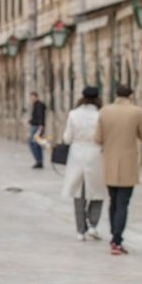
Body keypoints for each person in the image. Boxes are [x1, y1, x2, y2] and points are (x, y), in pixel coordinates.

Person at [95, 85, 142, 256]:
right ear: (130, 95)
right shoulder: (136, 112)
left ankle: (114, 236)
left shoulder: (104, 111)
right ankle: (117, 239)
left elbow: (98, 138)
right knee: (123, 203)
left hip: (110, 161)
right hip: (128, 163)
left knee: (113, 201)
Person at [62, 87, 107, 241]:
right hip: (96, 154)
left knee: (79, 193)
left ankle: (80, 230)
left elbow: (67, 138)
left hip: (77, 155)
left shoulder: (73, 114)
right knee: (97, 191)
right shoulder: (101, 115)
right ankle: (93, 224)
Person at [28, 92, 46, 169]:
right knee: (36, 143)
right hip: (35, 125)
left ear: (36, 97)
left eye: (32, 97)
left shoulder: (39, 105)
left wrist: (41, 125)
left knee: (32, 143)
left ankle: (39, 161)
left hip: (37, 127)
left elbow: (41, 116)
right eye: (30, 97)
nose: (31, 99)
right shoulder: (35, 105)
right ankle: (39, 161)